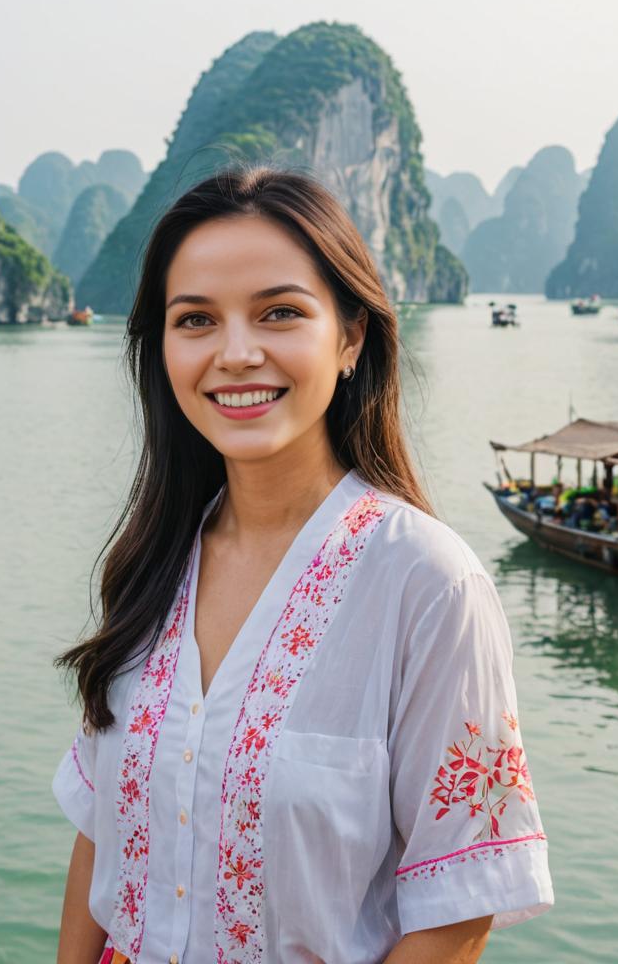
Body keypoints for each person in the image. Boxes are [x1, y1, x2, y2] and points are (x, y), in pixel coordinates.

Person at [51, 166, 554, 964]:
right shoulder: (151, 561)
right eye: (196, 321)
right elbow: (99, 837)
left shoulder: (427, 585)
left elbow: (461, 909)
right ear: (164, 348)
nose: (236, 354)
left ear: (350, 336)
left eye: (280, 313)